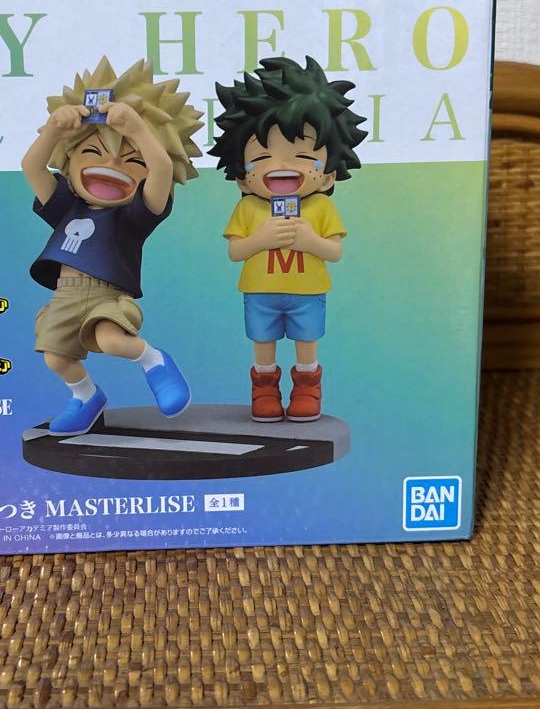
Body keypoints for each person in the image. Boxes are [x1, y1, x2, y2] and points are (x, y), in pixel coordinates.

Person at [22, 57, 202, 434]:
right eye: (93, 152)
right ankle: (85, 396)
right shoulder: (66, 205)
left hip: (107, 294)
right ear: (70, 160)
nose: (112, 164)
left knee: (111, 339)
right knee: (55, 357)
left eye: (132, 160)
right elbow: (32, 167)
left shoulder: (134, 215)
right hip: (65, 294)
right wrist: (53, 131)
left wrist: (137, 129)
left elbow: (162, 170)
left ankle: (154, 362)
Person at [210, 56, 366, 422]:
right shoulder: (249, 208)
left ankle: (307, 386)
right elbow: (235, 251)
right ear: (242, 177)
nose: (282, 166)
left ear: (328, 175)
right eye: (262, 157)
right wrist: (261, 238)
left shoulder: (320, 207)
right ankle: (264, 389)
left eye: (304, 156)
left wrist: (310, 241)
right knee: (262, 343)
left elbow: (335, 251)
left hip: (307, 291)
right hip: (260, 292)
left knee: (306, 342)